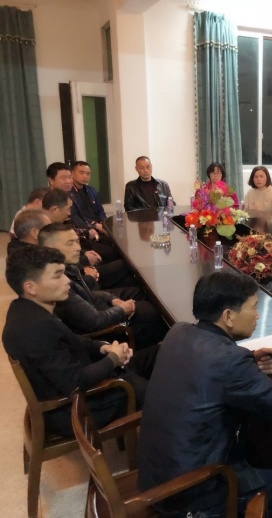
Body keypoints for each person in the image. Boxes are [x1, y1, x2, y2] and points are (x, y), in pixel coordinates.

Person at [137, 270, 272, 517]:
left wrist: (249, 359)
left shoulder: (178, 332)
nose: (257, 315)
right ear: (228, 316)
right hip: (189, 492)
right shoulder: (229, 361)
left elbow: (208, 366)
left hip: (155, 475)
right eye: (253, 307)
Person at [2, 245, 153, 437]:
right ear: (30, 287)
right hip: (81, 408)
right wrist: (113, 359)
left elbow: (74, 340)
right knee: (166, 398)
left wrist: (104, 348)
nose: (67, 281)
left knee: (157, 355)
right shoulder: (36, 329)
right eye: (57, 276)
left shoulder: (25, 309)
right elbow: (75, 382)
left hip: (87, 385)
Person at [39, 223, 169, 350]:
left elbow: (86, 294)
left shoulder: (69, 267)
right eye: (70, 243)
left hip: (102, 309)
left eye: (77, 241)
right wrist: (122, 310)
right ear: (49, 247)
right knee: (158, 314)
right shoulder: (58, 283)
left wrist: (112, 298)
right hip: (106, 336)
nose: (78, 248)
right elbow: (95, 321)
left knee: (147, 298)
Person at [69, 160, 107, 233]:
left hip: (98, 226)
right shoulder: (68, 193)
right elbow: (75, 217)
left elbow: (100, 211)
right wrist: (95, 225)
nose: (85, 176)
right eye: (81, 173)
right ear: (72, 174)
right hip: (84, 229)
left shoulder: (91, 190)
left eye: (88, 174)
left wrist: (104, 223)